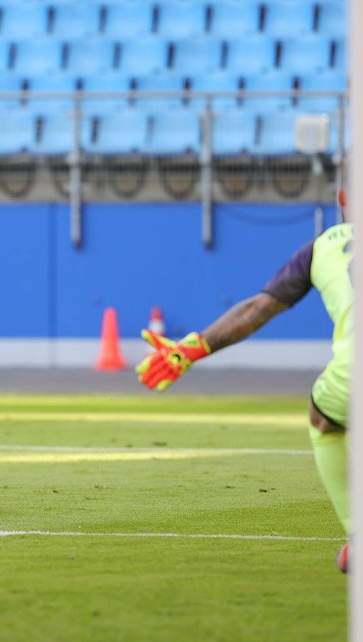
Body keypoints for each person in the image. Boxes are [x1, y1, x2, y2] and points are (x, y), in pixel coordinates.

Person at [135, 187, 352, 572]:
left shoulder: (325, 245)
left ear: (342, 198)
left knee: (325, 420)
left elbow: (258, 308)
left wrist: (190, 350)